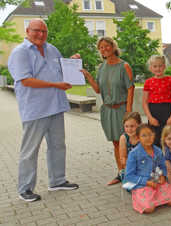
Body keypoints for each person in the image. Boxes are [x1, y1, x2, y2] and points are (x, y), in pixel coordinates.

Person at [8, 19, 79, 202]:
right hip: (35, 109)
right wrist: (55, 84)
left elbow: (61, 70)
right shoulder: (20, 53)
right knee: (30, 150)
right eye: (36, 31)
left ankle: (57, 181)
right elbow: (26, 80)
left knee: (57, 146)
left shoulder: (52, 49)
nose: (40, 34)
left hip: (56, 106)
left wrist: (71, 63)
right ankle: (25, 189)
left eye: (44, 31)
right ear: (27, 31)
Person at [81, 37, 134, 185]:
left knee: (127, 142)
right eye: (101, 48)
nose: (104, 50)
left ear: (113, 47)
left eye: (106, 46)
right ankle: (121, 173)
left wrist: (128, 112)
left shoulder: (124, 66)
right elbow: (98, 89)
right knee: (116, 143)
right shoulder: (101, 67)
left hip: (122, 109)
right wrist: (88, 76)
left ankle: (131, 173)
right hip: (108, 110)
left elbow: (130, 88)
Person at [124, 124, 171, 214]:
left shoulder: (158, 150)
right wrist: (147, 182)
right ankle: (137, 197)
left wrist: (162, 176)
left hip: (157, 183)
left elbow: (163, 166)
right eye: (144, 135)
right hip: (142, 185)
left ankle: (155, 199)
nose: (148, 138)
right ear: (138, 138)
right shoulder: (133, 154)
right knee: (149, 208)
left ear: (154, 135)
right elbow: (129, 176)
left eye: (150, 134)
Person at [142, 55, 171, 147]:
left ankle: (169, 160)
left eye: (160, 66)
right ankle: (157, 160)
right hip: (153, 112)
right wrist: (150, 118)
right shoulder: (148, 82)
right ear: (150, 68)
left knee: (169, 138)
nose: (158, 68)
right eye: (155, 66)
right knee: (154, 139)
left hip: (167, 111)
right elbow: (145, 102)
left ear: (164, 66)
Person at [119, 112, 141, 177]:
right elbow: (123, 158)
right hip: (129, 167)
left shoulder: (143, 137)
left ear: (139, 125)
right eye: (126, 126)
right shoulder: (124, 138)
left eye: (132, 126)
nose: (129, 129)